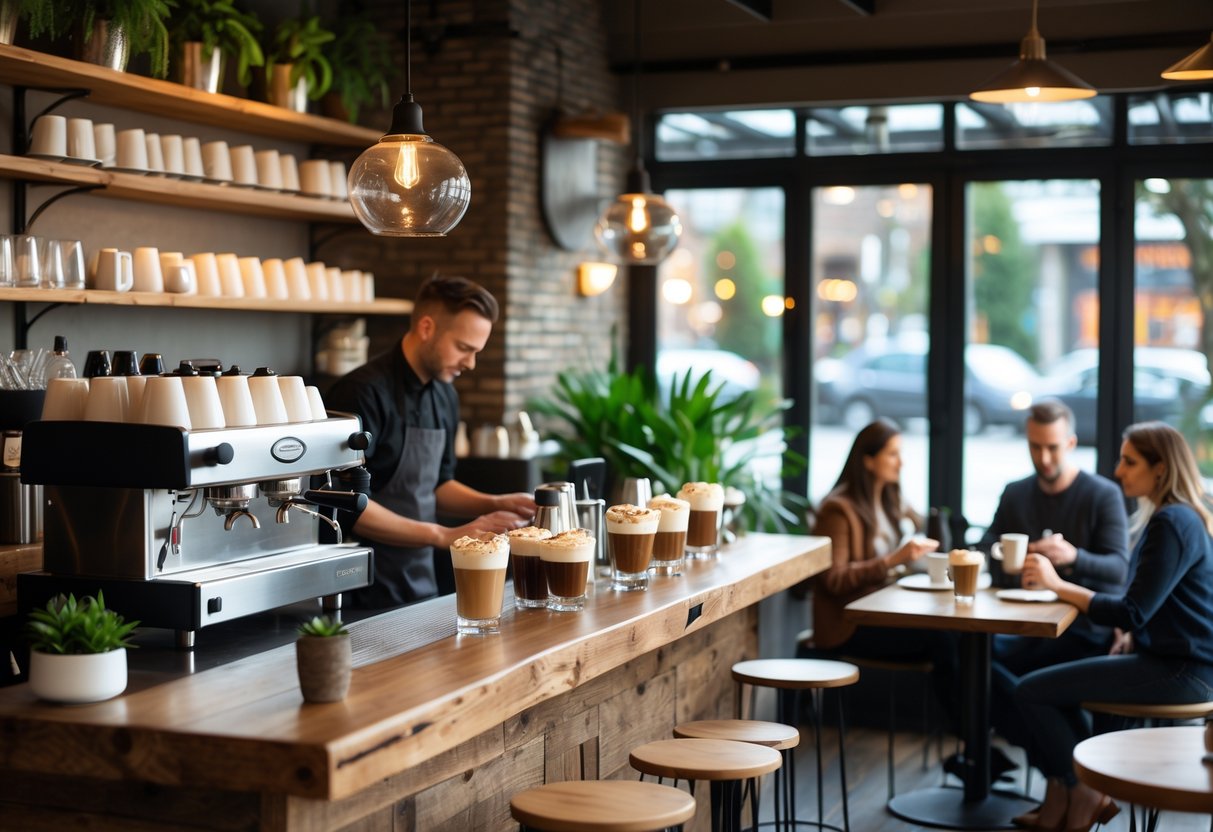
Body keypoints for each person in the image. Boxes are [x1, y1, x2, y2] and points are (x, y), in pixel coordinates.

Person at [1011, 421, 1213, 832]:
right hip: (1175, 662)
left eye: (1129, 461)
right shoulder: (1177, 517)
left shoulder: (1172, 522)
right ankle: (1067, 791)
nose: (1118, 470)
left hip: (1184, 671)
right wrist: (1132, 634)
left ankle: (1081, 787)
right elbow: (1155, 607)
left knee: (1030, 691)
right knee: (1054, 687)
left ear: (1160, 469)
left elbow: (1131, 610)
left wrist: (1057, 585)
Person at [327, 275, 536, 608]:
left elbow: (436, 486)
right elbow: (344, 504)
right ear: (426, 327)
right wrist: (443, 535)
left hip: (420, 581)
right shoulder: (362, 393)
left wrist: (497, 503)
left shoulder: (445, 396)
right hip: (360, 589)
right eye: (464, 348)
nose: (470, 363)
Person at [983, 400, 1130, 774]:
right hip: (1021, 626)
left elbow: (1118, 569)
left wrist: (1073, 557)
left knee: (1017, 684)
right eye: (1035, 446)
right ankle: (1064, 773)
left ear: (1070, 443)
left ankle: (1065, 777)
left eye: (1051, 447)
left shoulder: (1101, 494)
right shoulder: (1016, 492)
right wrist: (1024, 555)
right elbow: (984, 550)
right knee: (968, 662)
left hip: (1082, 631)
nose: (1043, 457)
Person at [809, 419, 958, 715]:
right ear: (868, 460)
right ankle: (971, 739)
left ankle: (973, 741)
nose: (901, 463)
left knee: (956, 636)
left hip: (881, 615)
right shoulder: (837, 509)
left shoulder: (890, 499)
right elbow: (833, 579)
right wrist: (893, 560)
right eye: (892, 454)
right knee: (944, 640)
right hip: (848, 626)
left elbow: (925, 527)